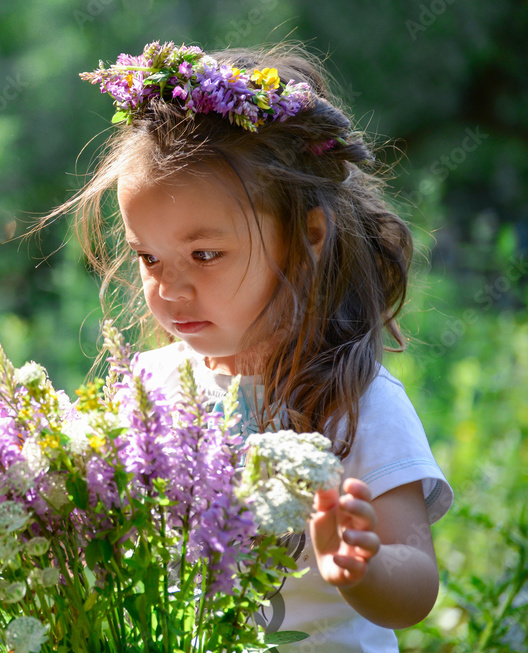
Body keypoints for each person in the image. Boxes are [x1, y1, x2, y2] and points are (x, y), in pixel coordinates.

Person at [38, 41, 453, 651]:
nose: (168, 287)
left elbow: (417, 585)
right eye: (148, 258)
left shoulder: (357, 405)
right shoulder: (149, 389)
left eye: (205, 255)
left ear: (306, 237)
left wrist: (365, 567)